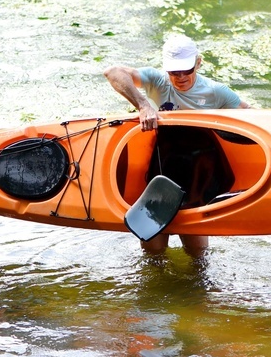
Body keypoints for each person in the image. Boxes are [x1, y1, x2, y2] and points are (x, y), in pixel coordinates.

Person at [103, 34, 249, 256]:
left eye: (186, 70)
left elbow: (252, 118)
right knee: (152, 246)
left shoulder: (216, 91)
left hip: (200, 167)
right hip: (163, 163)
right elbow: (113, 72)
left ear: (198, 63)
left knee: (197, 254)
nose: (180, 77)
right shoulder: (156, 81)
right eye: (174, 71)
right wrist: (143, 105)